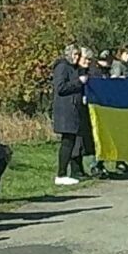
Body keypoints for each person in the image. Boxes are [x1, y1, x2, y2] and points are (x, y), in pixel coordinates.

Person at [52, 44, 89, 186]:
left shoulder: (74, 68)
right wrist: (78, 82)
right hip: (65, 109)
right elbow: (60, 87)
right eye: (74, 55)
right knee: (67, 142)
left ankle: (67, 172)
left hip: (73, 109)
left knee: (71, 141)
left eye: (78, 55)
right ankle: (61, 174)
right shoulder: (62, 67)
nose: (76, 58)